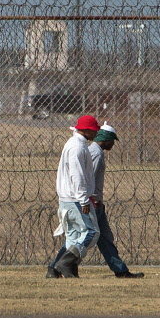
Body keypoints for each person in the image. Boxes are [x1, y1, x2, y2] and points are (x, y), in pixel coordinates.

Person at [47, 122, 144, 279]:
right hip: (90, 201)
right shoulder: (95, 153)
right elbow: (84, 177)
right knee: (88, 234)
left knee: (103, 239)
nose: (113, 144)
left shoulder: (90, 149)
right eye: (112, 140)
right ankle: (60, 265)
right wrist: (89, 199)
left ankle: (120, 270)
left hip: (92, 201)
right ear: (106, 139)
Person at [48, 114, 100, 278]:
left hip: (67, 199)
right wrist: (84, 199)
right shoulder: (77, 147)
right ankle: (66, 263)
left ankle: (55, 270)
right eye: (93, 131)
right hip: (76, 198)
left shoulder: (74, 144)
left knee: (73, 237)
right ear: (86, 131)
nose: (95, 134)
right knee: (91, 232)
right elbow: (76, 175)